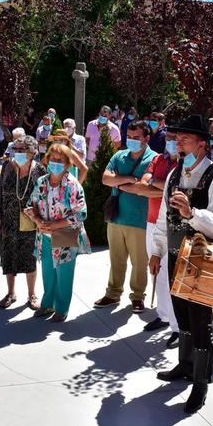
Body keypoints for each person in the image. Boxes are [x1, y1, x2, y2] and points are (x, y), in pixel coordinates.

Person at [150, 114, 213, 414]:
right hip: (176, 255)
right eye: (176, 139)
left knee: (201, 322)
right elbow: (163, 216)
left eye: (184, 139)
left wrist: (192, 213)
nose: (178, 143)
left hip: (203, 260)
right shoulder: (174, 174)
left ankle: (201, 382)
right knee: (182, 316)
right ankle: (185, 366)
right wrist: (157, 251)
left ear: (202, 144)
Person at [94, 120, 157, 313]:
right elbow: (105, 179)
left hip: (139, 220)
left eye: (136, 138)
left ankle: (138, 297)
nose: (131, 141)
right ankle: (113, 293)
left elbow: (143, 188)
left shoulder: (154, 159)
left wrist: (118, 182)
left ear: (146, 138)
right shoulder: (119, 155)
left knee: (139, 263)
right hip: (116, 218)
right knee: (116, 259)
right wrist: (129, 180)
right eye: (129, 137)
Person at [125, 131, 180, 347]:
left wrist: (156, 186)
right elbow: (142, 185)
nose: (172, 142)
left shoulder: (186, 164)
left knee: (172, 274)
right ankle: (164, 315)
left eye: (176, 138)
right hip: (152, 221)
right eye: (170, 138)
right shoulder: (158, 159)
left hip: (173, 225)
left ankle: (177, 326)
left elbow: (175, 190)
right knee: (156, 268)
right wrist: (161, 187)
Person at [27, 143, 91, 321]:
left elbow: (81, 213)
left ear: (67, 163)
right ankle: (48, 304)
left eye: (59, 160)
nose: (55, 162)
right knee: (48, 271)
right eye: (52, 159)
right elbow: (31, 204)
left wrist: (55, 225)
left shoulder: (73, 184)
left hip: (65, 233)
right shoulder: (42, 182)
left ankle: (62, 309)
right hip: (44, 234)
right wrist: (38, 220)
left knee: (64, 273)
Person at [0, 136, 46, 311]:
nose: (18, 152)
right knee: (8, 257)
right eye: (16, 149)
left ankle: (32, 295)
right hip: (8, 221)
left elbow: (44, 197)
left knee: (30, 258)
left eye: (22, 149)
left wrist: (41, 218)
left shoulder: (39, 170)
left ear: (32, 152)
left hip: (30, 221)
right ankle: (11, 293)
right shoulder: (7, 166)